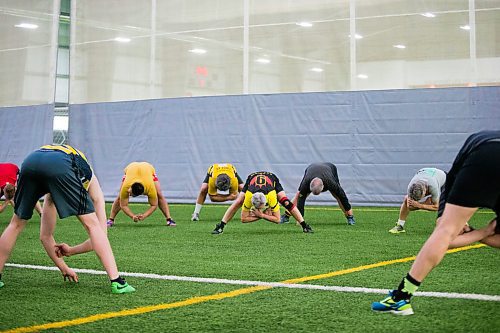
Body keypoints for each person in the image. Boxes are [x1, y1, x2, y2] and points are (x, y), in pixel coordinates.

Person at [372, 131, 500, 315]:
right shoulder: (414, 184)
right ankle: (400, 225)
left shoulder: (437, 183)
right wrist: (485, 231)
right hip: (482, 150)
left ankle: (402, 298)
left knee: (444, 231)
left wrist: (469, 230)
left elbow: (445, 233)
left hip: (484, 152)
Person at [0, 144, 134, 293]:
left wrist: (64, 267)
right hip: (60, 163)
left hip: (31, 161)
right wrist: (70, 251)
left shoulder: (52, 194)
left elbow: (45, 236)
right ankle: (117, 281)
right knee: (92, 225)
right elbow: (101, 235)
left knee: (15, 224)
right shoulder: (90, 179)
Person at [211, 171, 313, 234]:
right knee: (238, 201)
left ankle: (305, 226)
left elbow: (277, 220)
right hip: (252, 178)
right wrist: (262, 215)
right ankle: (221, 226)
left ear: (266, 202)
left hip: (271, 178)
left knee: (286, 202)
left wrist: (261, 215)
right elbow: (243, 219)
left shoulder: (272, 195)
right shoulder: (249, 195)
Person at [280, 163, 355, 225]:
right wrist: (300, 219)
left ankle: (350, 217)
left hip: (330, 168)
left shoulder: (331, 183)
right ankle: (286, 216)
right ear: (309, 187)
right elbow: (301, 200)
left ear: (323, 187)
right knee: (298, 195)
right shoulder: (305, 183)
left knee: (338, 196)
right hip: (311, 168)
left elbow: (343, 197)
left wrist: (349, 212)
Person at [107, 162, 176, 227]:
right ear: (131, 186)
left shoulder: (150, 188)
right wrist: (132, 216)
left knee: (159, 194)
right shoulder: (126, 187)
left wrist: (144, 215)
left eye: (130, 194)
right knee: (120, 197)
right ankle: (111, 220)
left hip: (147, 168)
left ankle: (169, 219)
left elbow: (154, 205)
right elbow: (123, 205)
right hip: (131, 168)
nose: (128, 191)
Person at [389, 167, 446, 234]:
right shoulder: (411, 187)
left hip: (444, 179)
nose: (417, 200)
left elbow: (437, 207)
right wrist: (424, 204)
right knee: (406, 199)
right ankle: (400, 225)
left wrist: (420, 205)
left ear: (425, 191)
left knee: (446, 204)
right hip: (426, 175)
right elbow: (409, 207)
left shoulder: (433, 187)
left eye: (419, 198)